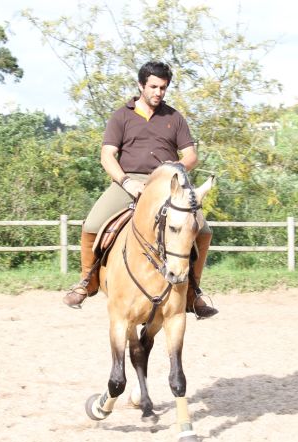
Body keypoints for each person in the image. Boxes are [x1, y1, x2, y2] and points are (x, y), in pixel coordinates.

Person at [62, 61, 218, 319]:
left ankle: (193, 292)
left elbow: (191, 156)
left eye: (163, 88)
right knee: (92, 224)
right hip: (128, 181)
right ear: (141, 85)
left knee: (203, 229)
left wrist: (171, 172)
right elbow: (107, 156)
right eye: (154, 86)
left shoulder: (174, 118)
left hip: (166, 183)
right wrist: (126, 182)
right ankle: (87, 281)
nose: (158, 92)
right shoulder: (121, 116)